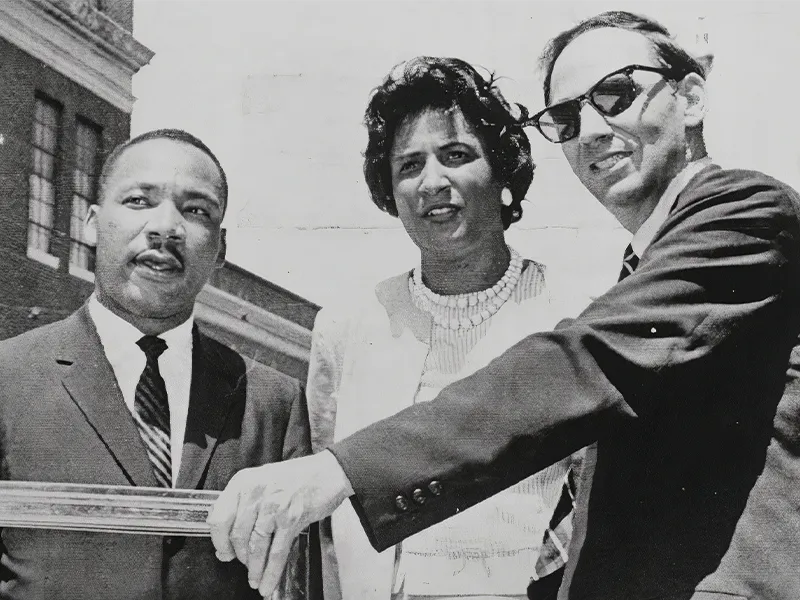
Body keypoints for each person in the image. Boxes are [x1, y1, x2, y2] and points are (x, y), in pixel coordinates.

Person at [208, 11, 800, 600]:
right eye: (566, 117)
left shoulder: (748, 214)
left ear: (691, 97)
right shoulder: (641, 269)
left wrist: (340, 470)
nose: (591, 128)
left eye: (616, 94)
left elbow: (584, 362)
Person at [305, 56, 586, 600]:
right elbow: (330, 508)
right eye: (409, 165)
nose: (432, 181)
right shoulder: (346, 327)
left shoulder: (574, 317)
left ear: (504, 173)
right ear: (389, 191)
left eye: (456, 156)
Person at [0, 129, 311, 600]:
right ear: (91, 222)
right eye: (139, 201)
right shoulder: (8, 378)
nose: (166, 226)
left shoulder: (274, 404)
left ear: (220, 248)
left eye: (196, 210)